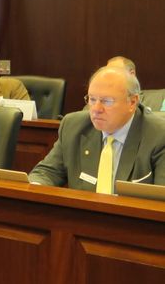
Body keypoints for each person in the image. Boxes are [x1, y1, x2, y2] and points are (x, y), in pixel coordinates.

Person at [29, 65, 165, 192]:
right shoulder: (73, 126)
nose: (96, 109)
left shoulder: (158, 135)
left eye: (107, 101)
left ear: (132, 102)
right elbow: (47, 172)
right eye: (92, 99)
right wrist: (35, 187)